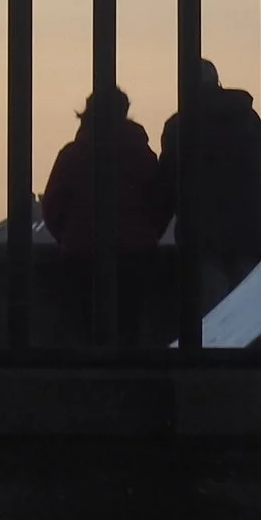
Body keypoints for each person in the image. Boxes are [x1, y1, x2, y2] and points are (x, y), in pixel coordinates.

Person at [41, 88, 170, 343]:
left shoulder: (73, 154)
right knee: (130, 326)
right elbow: (161, 200)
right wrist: (147, 234)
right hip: (135, 252)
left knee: (86, 327)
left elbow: (53, 205)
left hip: (82, 251)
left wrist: (70, 236)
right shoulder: (140, 154)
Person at [159, 59, 261, 308]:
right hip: (248, 230)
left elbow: (168, 181)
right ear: (217, 82)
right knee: (250, 313)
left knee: (214, 316)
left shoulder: (179, 125)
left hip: (202, 235)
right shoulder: (249, 119)